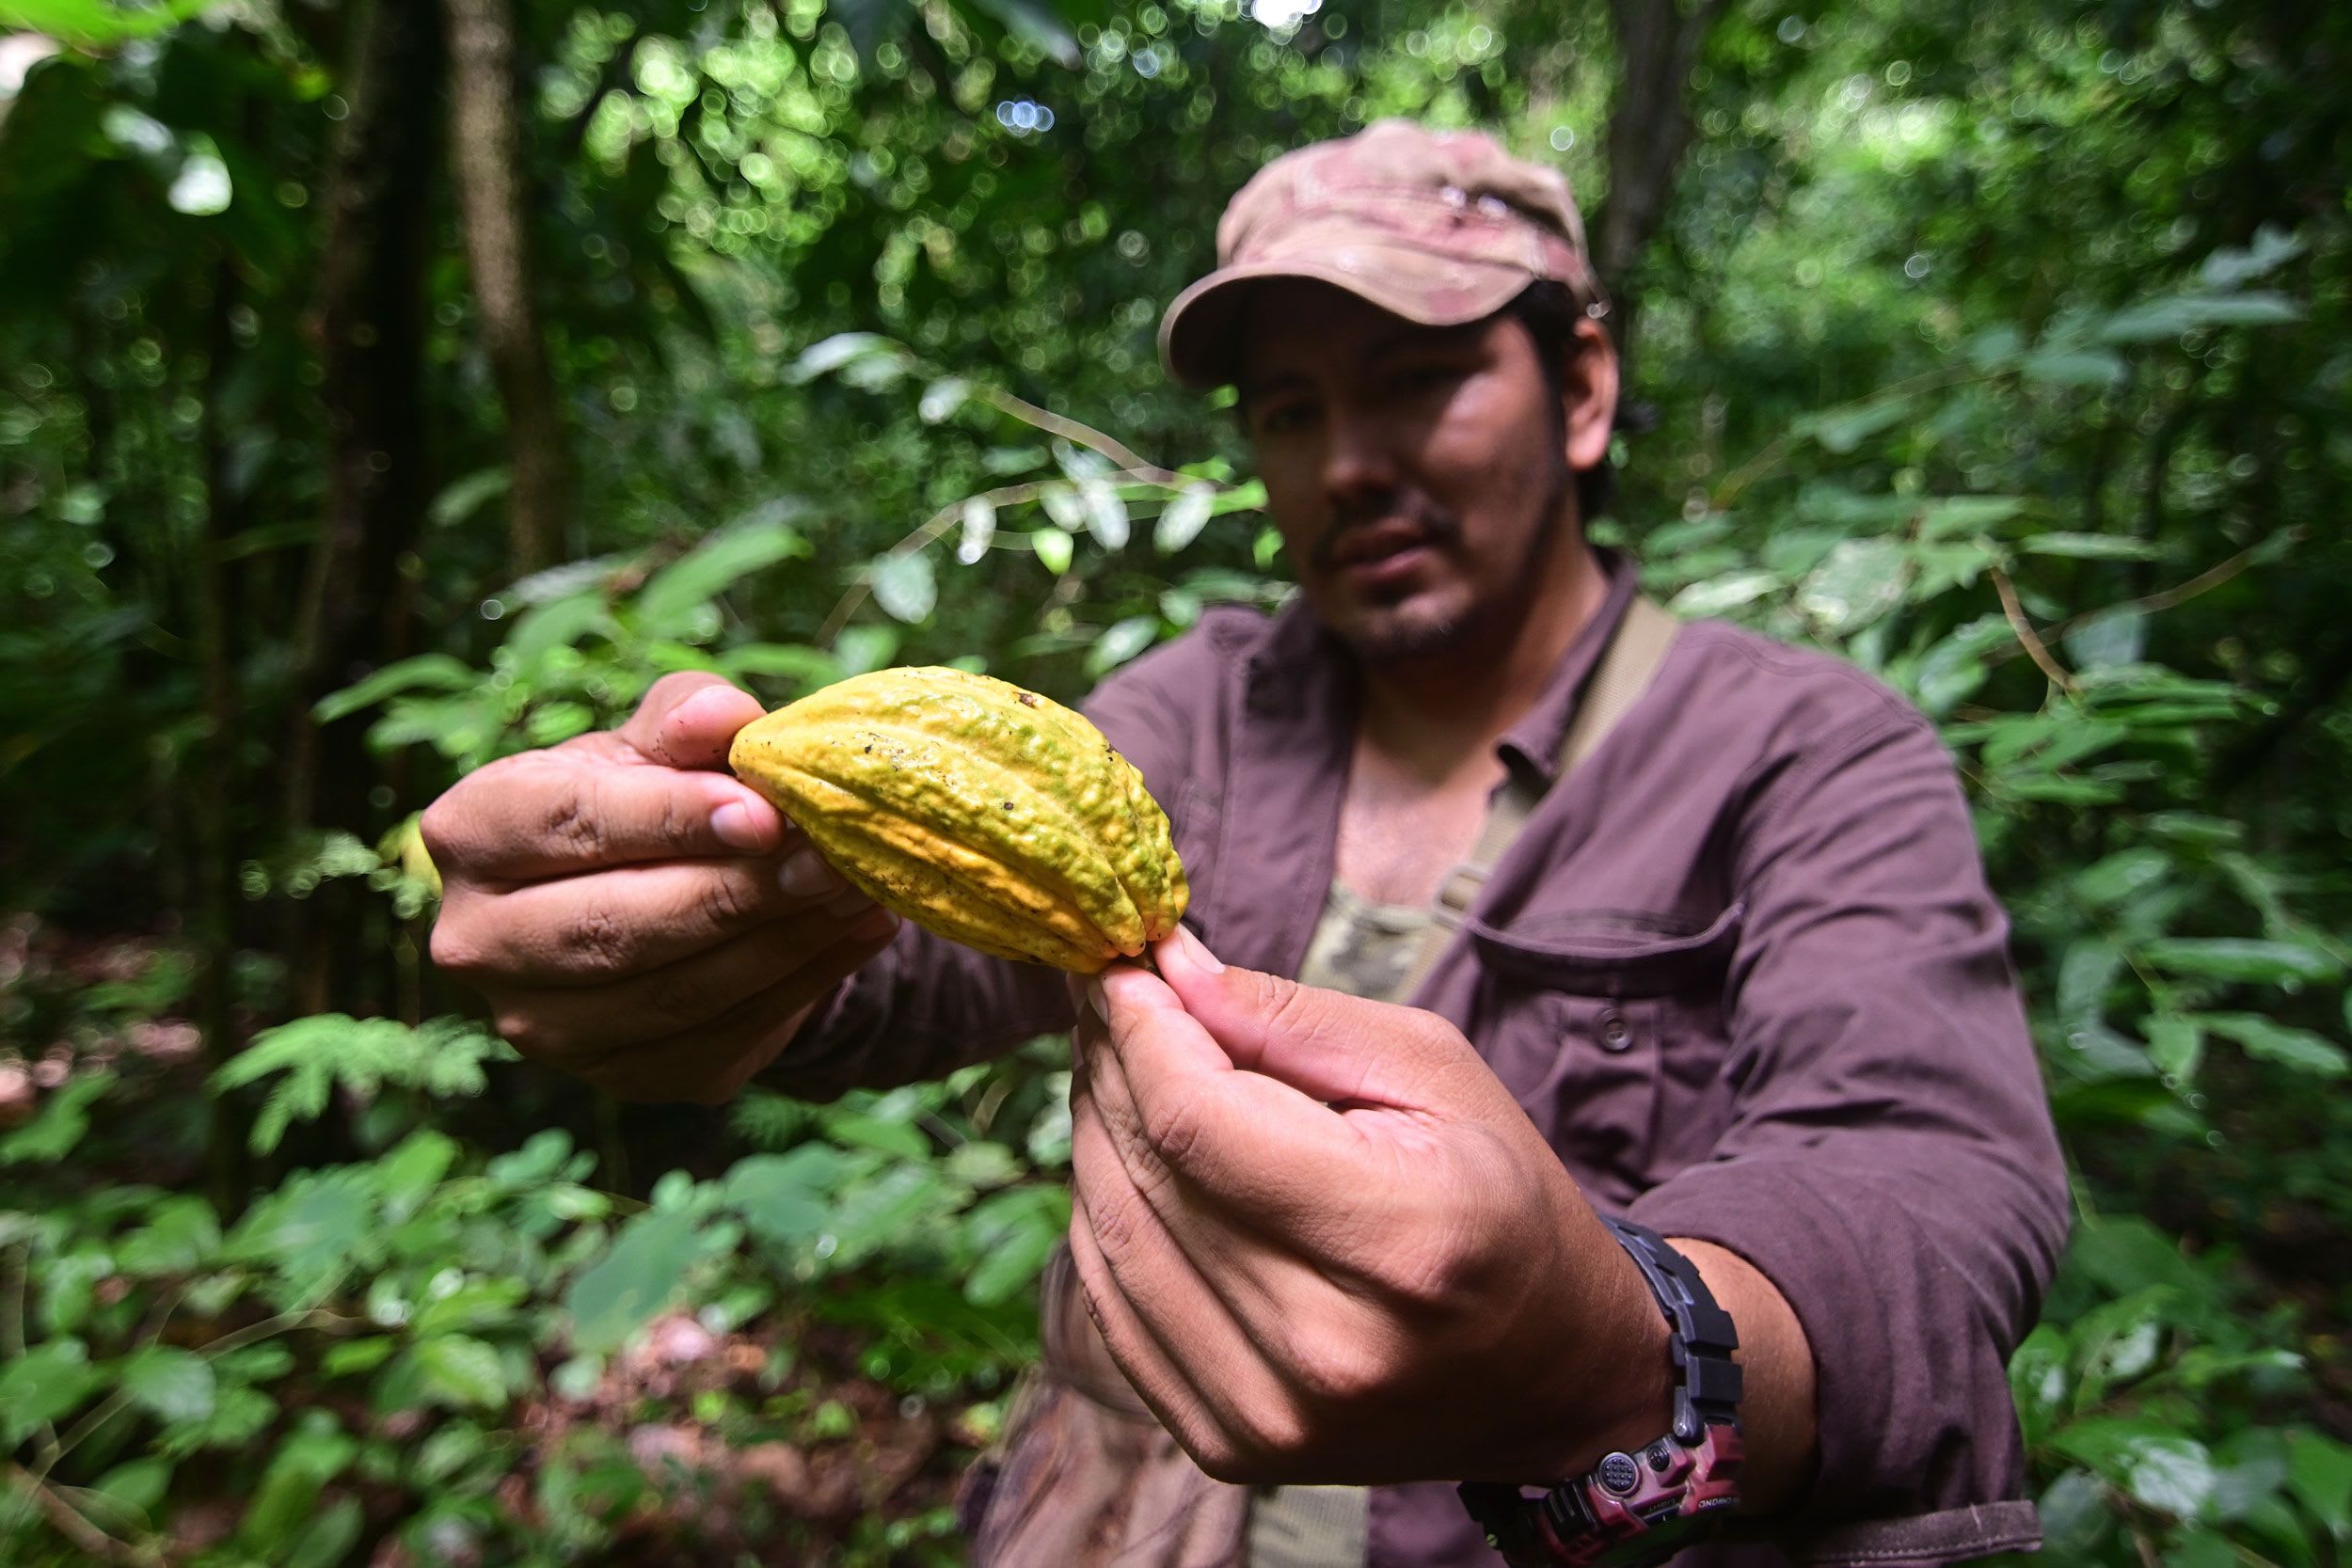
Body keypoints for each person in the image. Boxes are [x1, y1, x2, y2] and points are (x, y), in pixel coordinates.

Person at [420, 119, 2069, 1567]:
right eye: (1291, 411)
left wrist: (1629, 1349)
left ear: (1579, 388)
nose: (1349, 465)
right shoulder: (1201, 712)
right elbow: (917, 946)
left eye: (1419, 382)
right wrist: (706, 921)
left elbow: (1936, 1178)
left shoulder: (1798, 746)